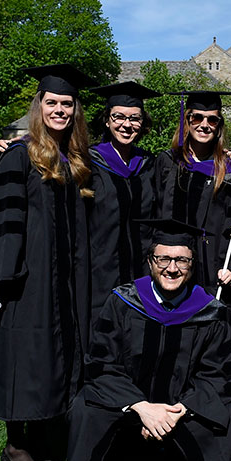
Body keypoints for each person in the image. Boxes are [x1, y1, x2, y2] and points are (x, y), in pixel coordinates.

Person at [0, 64, 97, 461]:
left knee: (55, 356)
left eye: (66, 104)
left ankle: (43, 437)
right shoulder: (19, 156)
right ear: (38, 106)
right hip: (27, 278)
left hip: (66, 279)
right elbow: (1, 222)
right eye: (52, 103)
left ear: (75, 110)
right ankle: (15, 443)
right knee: (23, 355)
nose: (59, 110)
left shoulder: (75, 160)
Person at [60, 219, 231, 461]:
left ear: (193, 264)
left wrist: (175, 411)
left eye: (182, 260)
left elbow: (220, 376)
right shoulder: (123, 302)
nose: (172, 268)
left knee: (225, 412)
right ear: (149, 262)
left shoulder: (211, 314)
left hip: (181, 410)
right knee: (87, 405)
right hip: (130, 406)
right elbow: (101, 364)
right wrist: (142, 408)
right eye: (163, 259)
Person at [157, 90, 231, 303]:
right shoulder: (167, 162)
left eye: (212, 119)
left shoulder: (230, 168)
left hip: (213, 263)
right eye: (197, 117)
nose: (204, 124)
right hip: (172, 261)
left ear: (219, 126)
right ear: (187, 120)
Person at [86, 81, 161, 324]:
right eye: (118, 117)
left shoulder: (150, 164)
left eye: (135, 118)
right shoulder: (88, 162)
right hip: (99, 268)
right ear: (107, 120)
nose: (127, 125)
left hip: (142, 270)